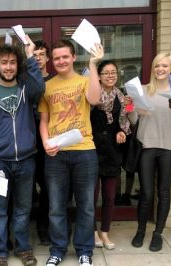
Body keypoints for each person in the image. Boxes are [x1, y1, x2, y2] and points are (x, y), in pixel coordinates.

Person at [0, 37, 45, 266]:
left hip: (26, 160)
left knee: (23, 208)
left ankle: (23, 248)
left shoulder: (26, 88)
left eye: (13, 62)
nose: (8, 67)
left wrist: (30, 57)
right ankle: (0, 251)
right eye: (4, 62)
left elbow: (40, 87)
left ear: (18, 65)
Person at [38, 40, 104, 266]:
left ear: (74, 57)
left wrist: (94, 64)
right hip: (56, 152)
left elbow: (95, 99)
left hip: (84, 151)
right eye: (56, 58)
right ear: (51, 60)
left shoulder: (85, 80)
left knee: (85, 205)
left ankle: (85, 250)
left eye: (65, 57)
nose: (61, 61)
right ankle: (57, 250)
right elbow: (44, 119)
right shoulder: (46, 86)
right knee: (56, 206)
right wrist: (45, 142)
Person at [129, 53, 171, 252]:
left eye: (164, 66)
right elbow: (133, 121)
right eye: (157, 66)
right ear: (153, 69)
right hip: (146, 146)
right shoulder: (143, 90)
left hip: (169, 149)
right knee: (146, 193)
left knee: (164, 192)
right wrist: (132, 106)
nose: (160, 69)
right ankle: (140, 230)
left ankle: (158, 234)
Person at [90, 60, 132, 250]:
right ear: (98, 76)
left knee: (109, 196)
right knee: (90, 196)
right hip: (91, 149)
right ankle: (91, 232)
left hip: (112, 151)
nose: (110, 76)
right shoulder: (91, 94)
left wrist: (122, 131)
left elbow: (126, 120)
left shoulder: (121, 96)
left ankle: (104, 232)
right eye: (105, 73)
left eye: (113, 72)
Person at [31, 40, 54, 246]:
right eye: (34, 54)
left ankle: (43, 227)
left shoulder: (55, 80)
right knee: (28, 187)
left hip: (50, 141)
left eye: (41, 54)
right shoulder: (24, 80)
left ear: (48, 58)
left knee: (48, 187)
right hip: (28, 142)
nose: (37, 57)